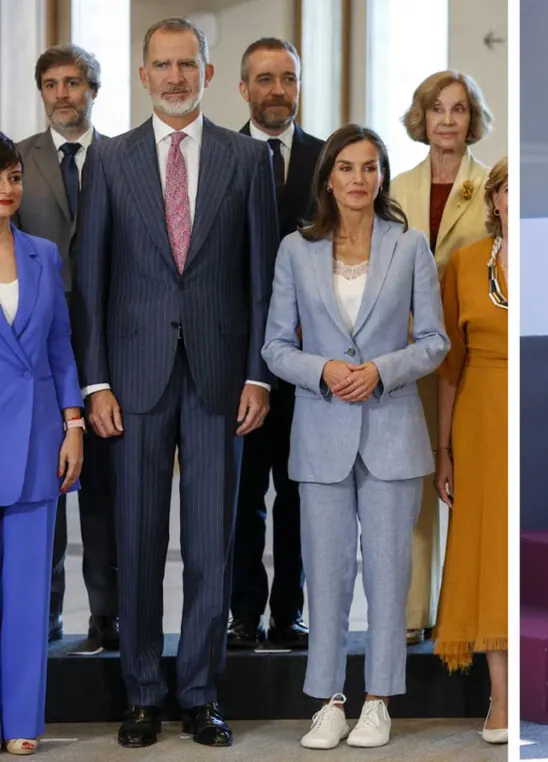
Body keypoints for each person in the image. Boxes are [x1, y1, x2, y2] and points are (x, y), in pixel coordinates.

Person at [72, 17, 278, 748]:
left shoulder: (248, 161)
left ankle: (199, 691)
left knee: (211, 548)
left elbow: (261, 283)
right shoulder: (112, 159)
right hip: (131, 380)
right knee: (137, 539)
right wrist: (94, 382)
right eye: (161, 65)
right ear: (142, 74)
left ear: (208, 73)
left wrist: (258, 371)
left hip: (222, 377)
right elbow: (90, 281)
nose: (175, 77)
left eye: (187, 64)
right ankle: (141, 694)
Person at [262, 125, 449, 750]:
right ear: (328, 178)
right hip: (320, 432)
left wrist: (380, 370)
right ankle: (329, 700)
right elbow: (275, 346)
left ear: (382, 176)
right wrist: (324, 370)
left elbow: (434, 343)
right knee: (327, 572)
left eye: (370, 168)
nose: (359, 180)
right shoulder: (297, 250)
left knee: (390, 575)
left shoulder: (410, 246)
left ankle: (378, 700)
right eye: (347, 168)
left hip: (393, 430)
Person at [14, 44, 119, 653]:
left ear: (93, 90)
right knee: (42, 481)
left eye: (73, 82)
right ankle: (45, 616)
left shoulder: (123, 157)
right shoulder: (16, 162)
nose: (62, 94)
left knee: (103, 487)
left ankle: (105, 618)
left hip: (108, 339)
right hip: (37, 347)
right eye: (51, 83)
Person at [229, 36, 324, 651]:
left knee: (298, 495)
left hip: (311, 359)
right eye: (264, 79)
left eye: (287, 78)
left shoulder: (326, 158)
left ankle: (288, 613)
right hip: (237, 359)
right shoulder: (220, 155)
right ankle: (243, 614)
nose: (276, 90)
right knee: (241, 496)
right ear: (243, 88)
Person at [391, 70, 492, 645]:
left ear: (472, 120)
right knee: (416, 482)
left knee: (467, 484)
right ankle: (412, 615)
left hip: (473, 352)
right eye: (437, 109)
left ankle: (465, 612)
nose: (448, 119)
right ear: (422, 118)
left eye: (458, 109)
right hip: (409, 349)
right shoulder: (398, 186)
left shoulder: (494, 184)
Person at [0, 132, 85, 756]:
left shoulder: (43, 254)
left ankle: (22, 722)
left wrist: (74, 423)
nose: (9, 189)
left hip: (35, 440)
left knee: (29, 593)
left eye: (13, 177)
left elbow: (60, 346)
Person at [432, 157, 509, 744]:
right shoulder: (462, 265)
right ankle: (500, 697)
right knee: (483, 548)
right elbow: (449, 369)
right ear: (495, 197)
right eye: (510, 188)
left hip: (533, 409)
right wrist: (445, 449)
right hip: (480, 415)